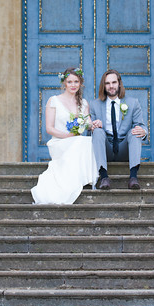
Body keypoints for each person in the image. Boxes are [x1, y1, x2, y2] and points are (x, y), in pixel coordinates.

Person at [31, 67, 98, 205]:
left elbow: (88, 123)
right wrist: (67, 136)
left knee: (86, 141)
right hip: (59, 142)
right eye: (69, 82)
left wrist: (95, 124)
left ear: (80, 83)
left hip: (76, 142)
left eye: (76, 82)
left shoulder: (83, 103)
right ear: (64, 83)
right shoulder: (53, 101)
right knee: (80, 142)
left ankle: (80, 178)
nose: (73, 85)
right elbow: (49, 128)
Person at [90, 69, 147, 190]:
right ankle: (104, 177)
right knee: (98, 132)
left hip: (124, 148)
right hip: (106, 149)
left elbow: (141, 125)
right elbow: (88, 133)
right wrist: (93, 126)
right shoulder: (94, 105)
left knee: (134, 131)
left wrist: (143, 131)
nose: (111, 86)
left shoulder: (133, 103)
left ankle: (133, 177)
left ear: (119, 83)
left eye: (114, 82)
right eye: (107, 83)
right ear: (103, 86)